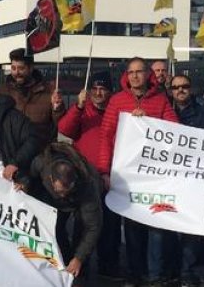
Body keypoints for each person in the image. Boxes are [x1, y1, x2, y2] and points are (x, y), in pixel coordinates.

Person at [98, 57, 179, 286]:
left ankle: (155, 275)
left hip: (153, 175)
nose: (135, 76)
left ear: (147, 74)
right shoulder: (117, 101)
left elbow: (174, 131)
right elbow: (106, 136)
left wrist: (150, 122)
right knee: (132, 226)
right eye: (131, 72)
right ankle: (135, 272)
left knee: (156, 224)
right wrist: (105, 171)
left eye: (139, 71)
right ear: (126, 75)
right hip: (127, 175)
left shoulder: (161, 100)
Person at [57, 70, 119, 278]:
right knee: (83, 224)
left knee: (109, 225)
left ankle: (108, 266)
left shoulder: (116, 111)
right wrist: (79, 106)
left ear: (110, 91)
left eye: (103, 89)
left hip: (111, 176)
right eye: (95, 89)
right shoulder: (83, 110)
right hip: (84, 177)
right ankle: (79, 267)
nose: (99, 93)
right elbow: (65, 128)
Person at [27, 142, 104, 284]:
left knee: (81, 234)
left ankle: (78, 275)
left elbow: (93, 226)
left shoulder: (87, 182)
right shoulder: (41, 163)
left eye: (65, 191)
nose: (62, 195)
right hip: (52, 201)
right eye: (60, 191)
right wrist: (23, 184)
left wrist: (79, 258)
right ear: (51, 179)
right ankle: (59, 267)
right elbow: (29, 177)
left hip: (81, 199)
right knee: (55, 231)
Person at [168, 73, 204, 286]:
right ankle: (171, 270)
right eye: (176, 87)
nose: (180, 90)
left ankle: (187, 271)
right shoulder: (165, 109)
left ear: (191, 89)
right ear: (171, 90)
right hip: (169, 176)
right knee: (168, 224)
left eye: (185, 86)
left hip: (194, 176)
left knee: (190, 228)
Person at [0, 49, 64, 147]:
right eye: (13, 68)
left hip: (41, 151)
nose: (17, 72)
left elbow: (61, 125)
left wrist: (57, 109)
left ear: (30, 68)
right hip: (12, 153)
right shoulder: (2, 91)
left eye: (21, 68)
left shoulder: (49, 90)